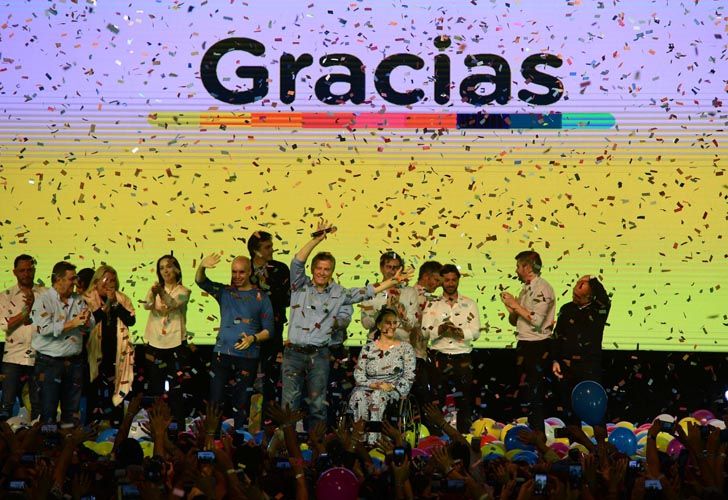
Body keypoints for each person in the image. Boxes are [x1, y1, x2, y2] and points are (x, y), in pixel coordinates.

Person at [282, 221, 413, 429]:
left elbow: (367, 291)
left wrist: (392, 282)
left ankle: (316, 447)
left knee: (317, 404)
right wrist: (317, 239)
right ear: (313, 269)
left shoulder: (338, 293)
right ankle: (287, 446)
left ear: (332, 271)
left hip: (319, 355)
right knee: (289, 403)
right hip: (293, 354)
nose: (322, 273)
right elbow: (297, 261)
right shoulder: (300, 286)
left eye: (327, 269)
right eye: (319, 268)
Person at [196, 253, 274, 430]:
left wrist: (253, 338)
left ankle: (239, 441)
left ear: (249, 272)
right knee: (215, 400)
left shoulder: (261, 297)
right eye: (234, 272)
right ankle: (212, 441)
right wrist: (202, 266)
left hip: (247, 356)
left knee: (242, 402)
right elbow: (201, 282)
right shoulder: (225, 292)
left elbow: (269, 330)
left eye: (241, 272)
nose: (237, 276)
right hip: (221, 354)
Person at [31, 261, 93, 427]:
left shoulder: (78, 300)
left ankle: (69, 447)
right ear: (58, 279)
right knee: (47, 410)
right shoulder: (43, 300)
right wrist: (72, 323)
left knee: (71, 413)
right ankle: (47, 449)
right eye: (71, 278)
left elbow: (91, 324)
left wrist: (87, 322)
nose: (75, 282)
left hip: (74, 363)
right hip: (49, 363)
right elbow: (43, 328)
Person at [421, 264, 481, 433]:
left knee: (464, 401)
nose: (450, 283)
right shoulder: (433, 304)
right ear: (441, 282)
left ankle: (463, 437)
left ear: (458, 280)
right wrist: (440, 330)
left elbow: (476, 332)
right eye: (446, 280)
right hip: (439, 357)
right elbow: (424, 332)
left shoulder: (469, 303)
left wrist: (458, 331)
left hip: (462, 357)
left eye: (453, 280)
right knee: (437, 401)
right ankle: (436, 438)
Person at [500, 250, 555, 432]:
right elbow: (516, 321)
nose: (516, 270)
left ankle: (539, 435)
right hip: (524, 344)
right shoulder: (525, 288)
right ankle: (532, 431)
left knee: (535, 394)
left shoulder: (543, 288)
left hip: (538, 347)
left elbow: (537, 321)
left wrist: (516, 305)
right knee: (526, 394)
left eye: (518, 266)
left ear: (527, 267)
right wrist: (511, 308)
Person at [349, 307, 416, 440]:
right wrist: (374, 385)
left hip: (391, 388)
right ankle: (359, 438)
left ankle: (374, 439)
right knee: (359, 396)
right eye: (387, 322)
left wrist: (393, 387)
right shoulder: (368, 348)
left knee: (378, 397)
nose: (392, 326)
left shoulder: (405, 348)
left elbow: (409, 375)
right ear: (379, 325)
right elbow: (359, 374)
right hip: (369, 386)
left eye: (394, 323)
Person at [552, 275, 611, 422]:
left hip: (589, 366)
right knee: (569, 407)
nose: (575, 297)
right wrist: (555, 360)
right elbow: (557, 335)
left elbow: (604, 298)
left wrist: (592, 279)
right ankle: (573, 441)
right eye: (574, 294)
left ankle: (600, 442)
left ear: (589, 297)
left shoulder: (599, 311)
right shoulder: (566, 309)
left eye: (579, 296)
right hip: (567, 366)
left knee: (596, 406)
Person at [84, 265, 136, 425]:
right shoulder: (87, 299)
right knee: (94, 391)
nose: (109, 284)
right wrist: (104, 306)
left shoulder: (122, 299)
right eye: (106, 280)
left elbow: (131, 320)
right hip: (93, 352)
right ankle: (92, 428)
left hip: (117, 353)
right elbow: (89, 322)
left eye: (112, 280)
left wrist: (114, 303)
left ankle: (116, 426)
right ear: (97, 281)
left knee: (116, 391)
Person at [143, 254, 191, 424]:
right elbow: (146, 305)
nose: (165, 271)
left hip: (175, 344)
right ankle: (156, 427)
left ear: (177, 269)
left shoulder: (184, 291)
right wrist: (153, 292)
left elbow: (172, 304)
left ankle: (178, 427)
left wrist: (161, 293)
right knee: (155, 388)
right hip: (155, 344)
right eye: (161, 268)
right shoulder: (155, 288)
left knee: (176, 389)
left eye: (169, 266)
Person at [248, 231, 290, 416]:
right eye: (267, 247)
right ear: (255, 251)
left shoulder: (280, 269)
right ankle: (249, 419)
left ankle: (268, 418)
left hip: (273, 329)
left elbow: (288, 299)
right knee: (247, 375)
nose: (272, 250)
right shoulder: (244, 268)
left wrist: (268, 290)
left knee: (270, 375)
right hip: (247, 330)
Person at [0, 255, 46, 420]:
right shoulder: (6, 296)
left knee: (39, 405)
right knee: (6, 404)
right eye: (22, 270)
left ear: (34, 270)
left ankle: (38, 442)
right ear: (14, 272)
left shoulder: (45, 293)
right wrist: (27, 309)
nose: (26, 274)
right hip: (13, 356)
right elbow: (5, 324)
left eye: (29, 270)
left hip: (39, 355)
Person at [410, 260, 442, 405]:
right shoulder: (415, 296)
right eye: (436, 280)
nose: (438, 284)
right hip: (413, 353)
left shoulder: (431, 298)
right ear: (426, 276)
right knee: (420, 398)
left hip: (420, 352)